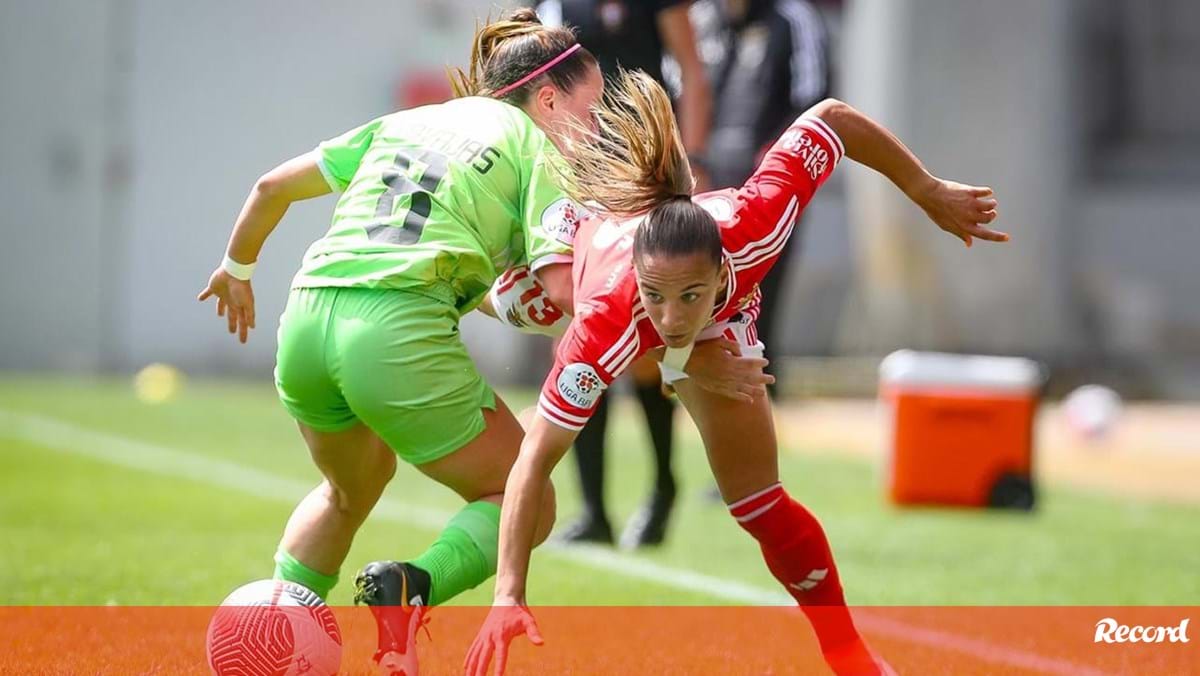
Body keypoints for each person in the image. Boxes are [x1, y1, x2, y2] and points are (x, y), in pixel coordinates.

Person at [196, 11, 758, 674]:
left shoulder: (415, 121)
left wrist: (238, 268)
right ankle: (413, 586)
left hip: (308, 317)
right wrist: (679, 346)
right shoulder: (540, 147)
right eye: (591, 105)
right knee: (528, 496)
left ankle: (272, 638)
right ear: (547, 99)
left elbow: (273, 187)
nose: (597, 125)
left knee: (349, 489)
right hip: (394, 332)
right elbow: (565, 294)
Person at [464, 70, 1007, 676]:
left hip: (694, 300)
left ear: (724, 273)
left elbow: (831, 117)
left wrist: (925, 188)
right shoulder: (608, 316)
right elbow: (534, 459)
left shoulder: (754, 226)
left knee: (757, 502)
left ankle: (849, 654)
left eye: (690, 296)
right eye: (657, 297)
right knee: (516, 296)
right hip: (577, 263)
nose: (671, 317)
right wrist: (507, 595)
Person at [535, 0, 714, 548]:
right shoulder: (546, 6)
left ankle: (662, 488)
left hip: (644, 173)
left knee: (640, 348)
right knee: (576, 337)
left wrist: (693, 158)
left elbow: (690, 66)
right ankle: (594, 511)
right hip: (576, 177)